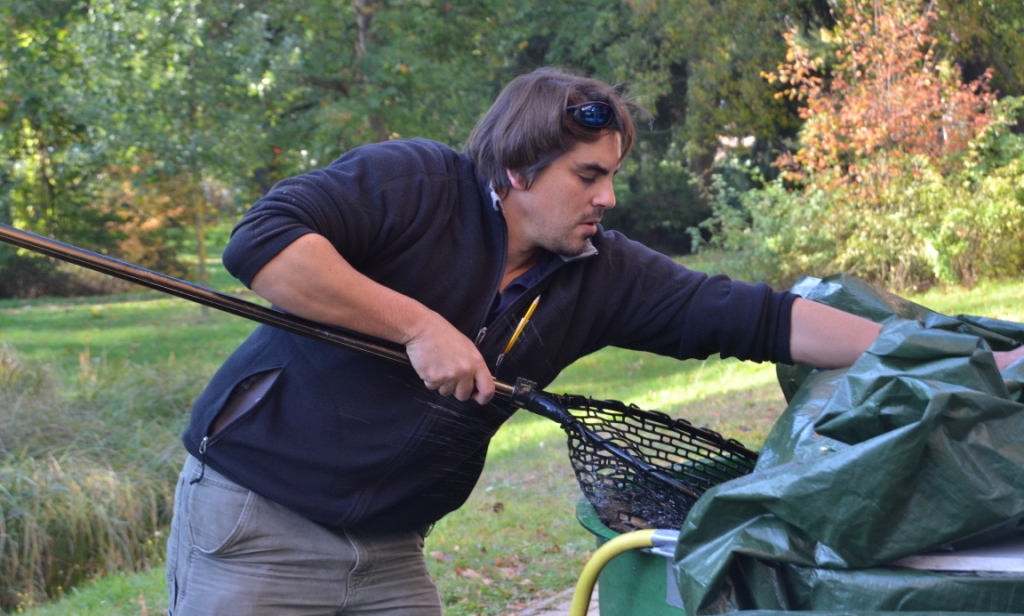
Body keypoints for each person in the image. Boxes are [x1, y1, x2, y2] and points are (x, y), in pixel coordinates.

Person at [165, 68, 1024, 615]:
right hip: (259, 524)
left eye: (612, 173)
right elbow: (264, 244)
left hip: (391, 548)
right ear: (514, 170)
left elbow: (764, 319)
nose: (607, 197)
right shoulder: (415, 183)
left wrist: (960, 352)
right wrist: (419, 326)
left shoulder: (600, 272)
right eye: (588, 175)